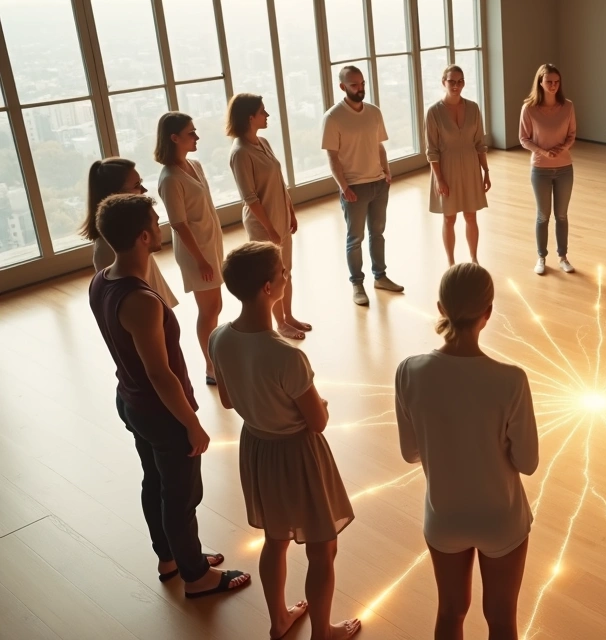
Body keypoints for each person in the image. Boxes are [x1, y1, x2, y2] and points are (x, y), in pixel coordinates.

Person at [87, 193, 250, 599]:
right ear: (144, 236)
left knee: (155, 482)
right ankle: (196, 576)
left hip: (130, 400)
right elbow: (160, 374)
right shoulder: (141, 300)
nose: (160, 227)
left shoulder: (101, 280)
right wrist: (192, 424)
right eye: (155, 223)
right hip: (160, 411)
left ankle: (171, 557)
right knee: (182, 495)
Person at [209, 242, 359, 640]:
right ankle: (323, 631)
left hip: (257, 448)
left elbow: (226, 400)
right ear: (267, 288)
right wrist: (320, 403)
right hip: (298, 455)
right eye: (282, 274)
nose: (285, 278)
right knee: (322, 547)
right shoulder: (287, 356)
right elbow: (317, 422)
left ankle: (278, 620)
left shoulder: (219, 338)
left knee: (275, 540)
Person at [395, 263, 538, 639]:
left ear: (440, 308)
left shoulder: (409, 371)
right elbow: (528, 462)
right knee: (502, 618)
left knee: (450, 611)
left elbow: (411, 452)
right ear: (487, 314)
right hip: (501, 519)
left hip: (444, 517)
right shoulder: (511, 380)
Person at [227, 93, 312, 340]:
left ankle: (289, 316)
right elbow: (250, 198)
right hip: (263, 225)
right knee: (272, 276)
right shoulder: (240, 153)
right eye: (263, 112)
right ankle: (280, 324)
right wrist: (271, 231)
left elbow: (279, 181)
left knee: (287, 271)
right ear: (249, 117)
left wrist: (290, 211)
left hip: (281, 217)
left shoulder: (262, 142)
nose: (267, 115)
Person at [321, 65, 403, 305]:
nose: (360, 89)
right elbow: (332, 157)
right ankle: (357, 284)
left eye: (362, 83)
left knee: (377, 233)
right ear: (342, 87)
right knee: (354, 238)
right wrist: (344, 187)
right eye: (354, 85)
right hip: (354, 188)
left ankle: (381, 277)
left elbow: (379, 146)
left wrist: (387, 173)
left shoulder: (374, 112)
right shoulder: (333, 117)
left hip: (379, 183)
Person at [155, 111, 225, 385]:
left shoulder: (194, 165)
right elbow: (179, 224)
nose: (196, 137)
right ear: (174, 138)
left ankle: (216, 359)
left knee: (216, 305)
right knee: (207, 310)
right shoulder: (170, 178)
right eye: (191, 133)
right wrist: (201, 260)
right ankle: (211, 367)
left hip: (210, 243)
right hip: (196, 252)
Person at [81, 157, 179, 309]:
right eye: (136, 185)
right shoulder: (109, 248)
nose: (144, 190)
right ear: (116, 194)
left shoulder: (131, 232)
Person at [426, 65, 490, 267]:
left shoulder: (473, 108)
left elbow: (480, 143)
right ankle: (451, 263)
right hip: (447, 169)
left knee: (471, 215)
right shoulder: (434, 112)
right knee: (449, 218)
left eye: (460, 81)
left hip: (471, 168)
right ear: (443, 82)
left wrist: (486, 172)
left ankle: (474, 259)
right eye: (452, 81)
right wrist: (439, 179)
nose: (456, 85)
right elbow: (432, 150)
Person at [520, 63, 577, 275]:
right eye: (549, 82)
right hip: (540, 169)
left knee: (561, 215)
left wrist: (561, 148)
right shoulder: (529, 108)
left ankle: (563, 256)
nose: (553, 86)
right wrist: (543, 152)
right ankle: (541, 257)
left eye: (556, 82)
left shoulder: (568, 106)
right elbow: (524, 138)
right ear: (540, 82)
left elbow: (572, 134)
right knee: (543, 215)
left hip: (564, 168)